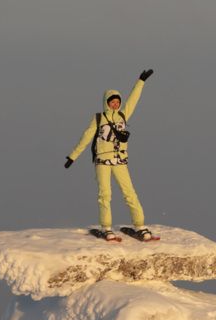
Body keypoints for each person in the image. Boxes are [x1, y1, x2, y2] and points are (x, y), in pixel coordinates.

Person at [64, 70, 154, 241]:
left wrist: (141, 81)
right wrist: (72, 156)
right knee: (105, 194)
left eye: (117, 102)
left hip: (120, 160)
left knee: (129, 192)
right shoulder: (99, 118)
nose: (115, 104)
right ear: (106, 103)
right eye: (112, 102)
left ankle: (140, 225)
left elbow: (133, 100)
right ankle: (106, 228)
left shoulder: (123, 115)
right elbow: (86, 137)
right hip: (102, 161)